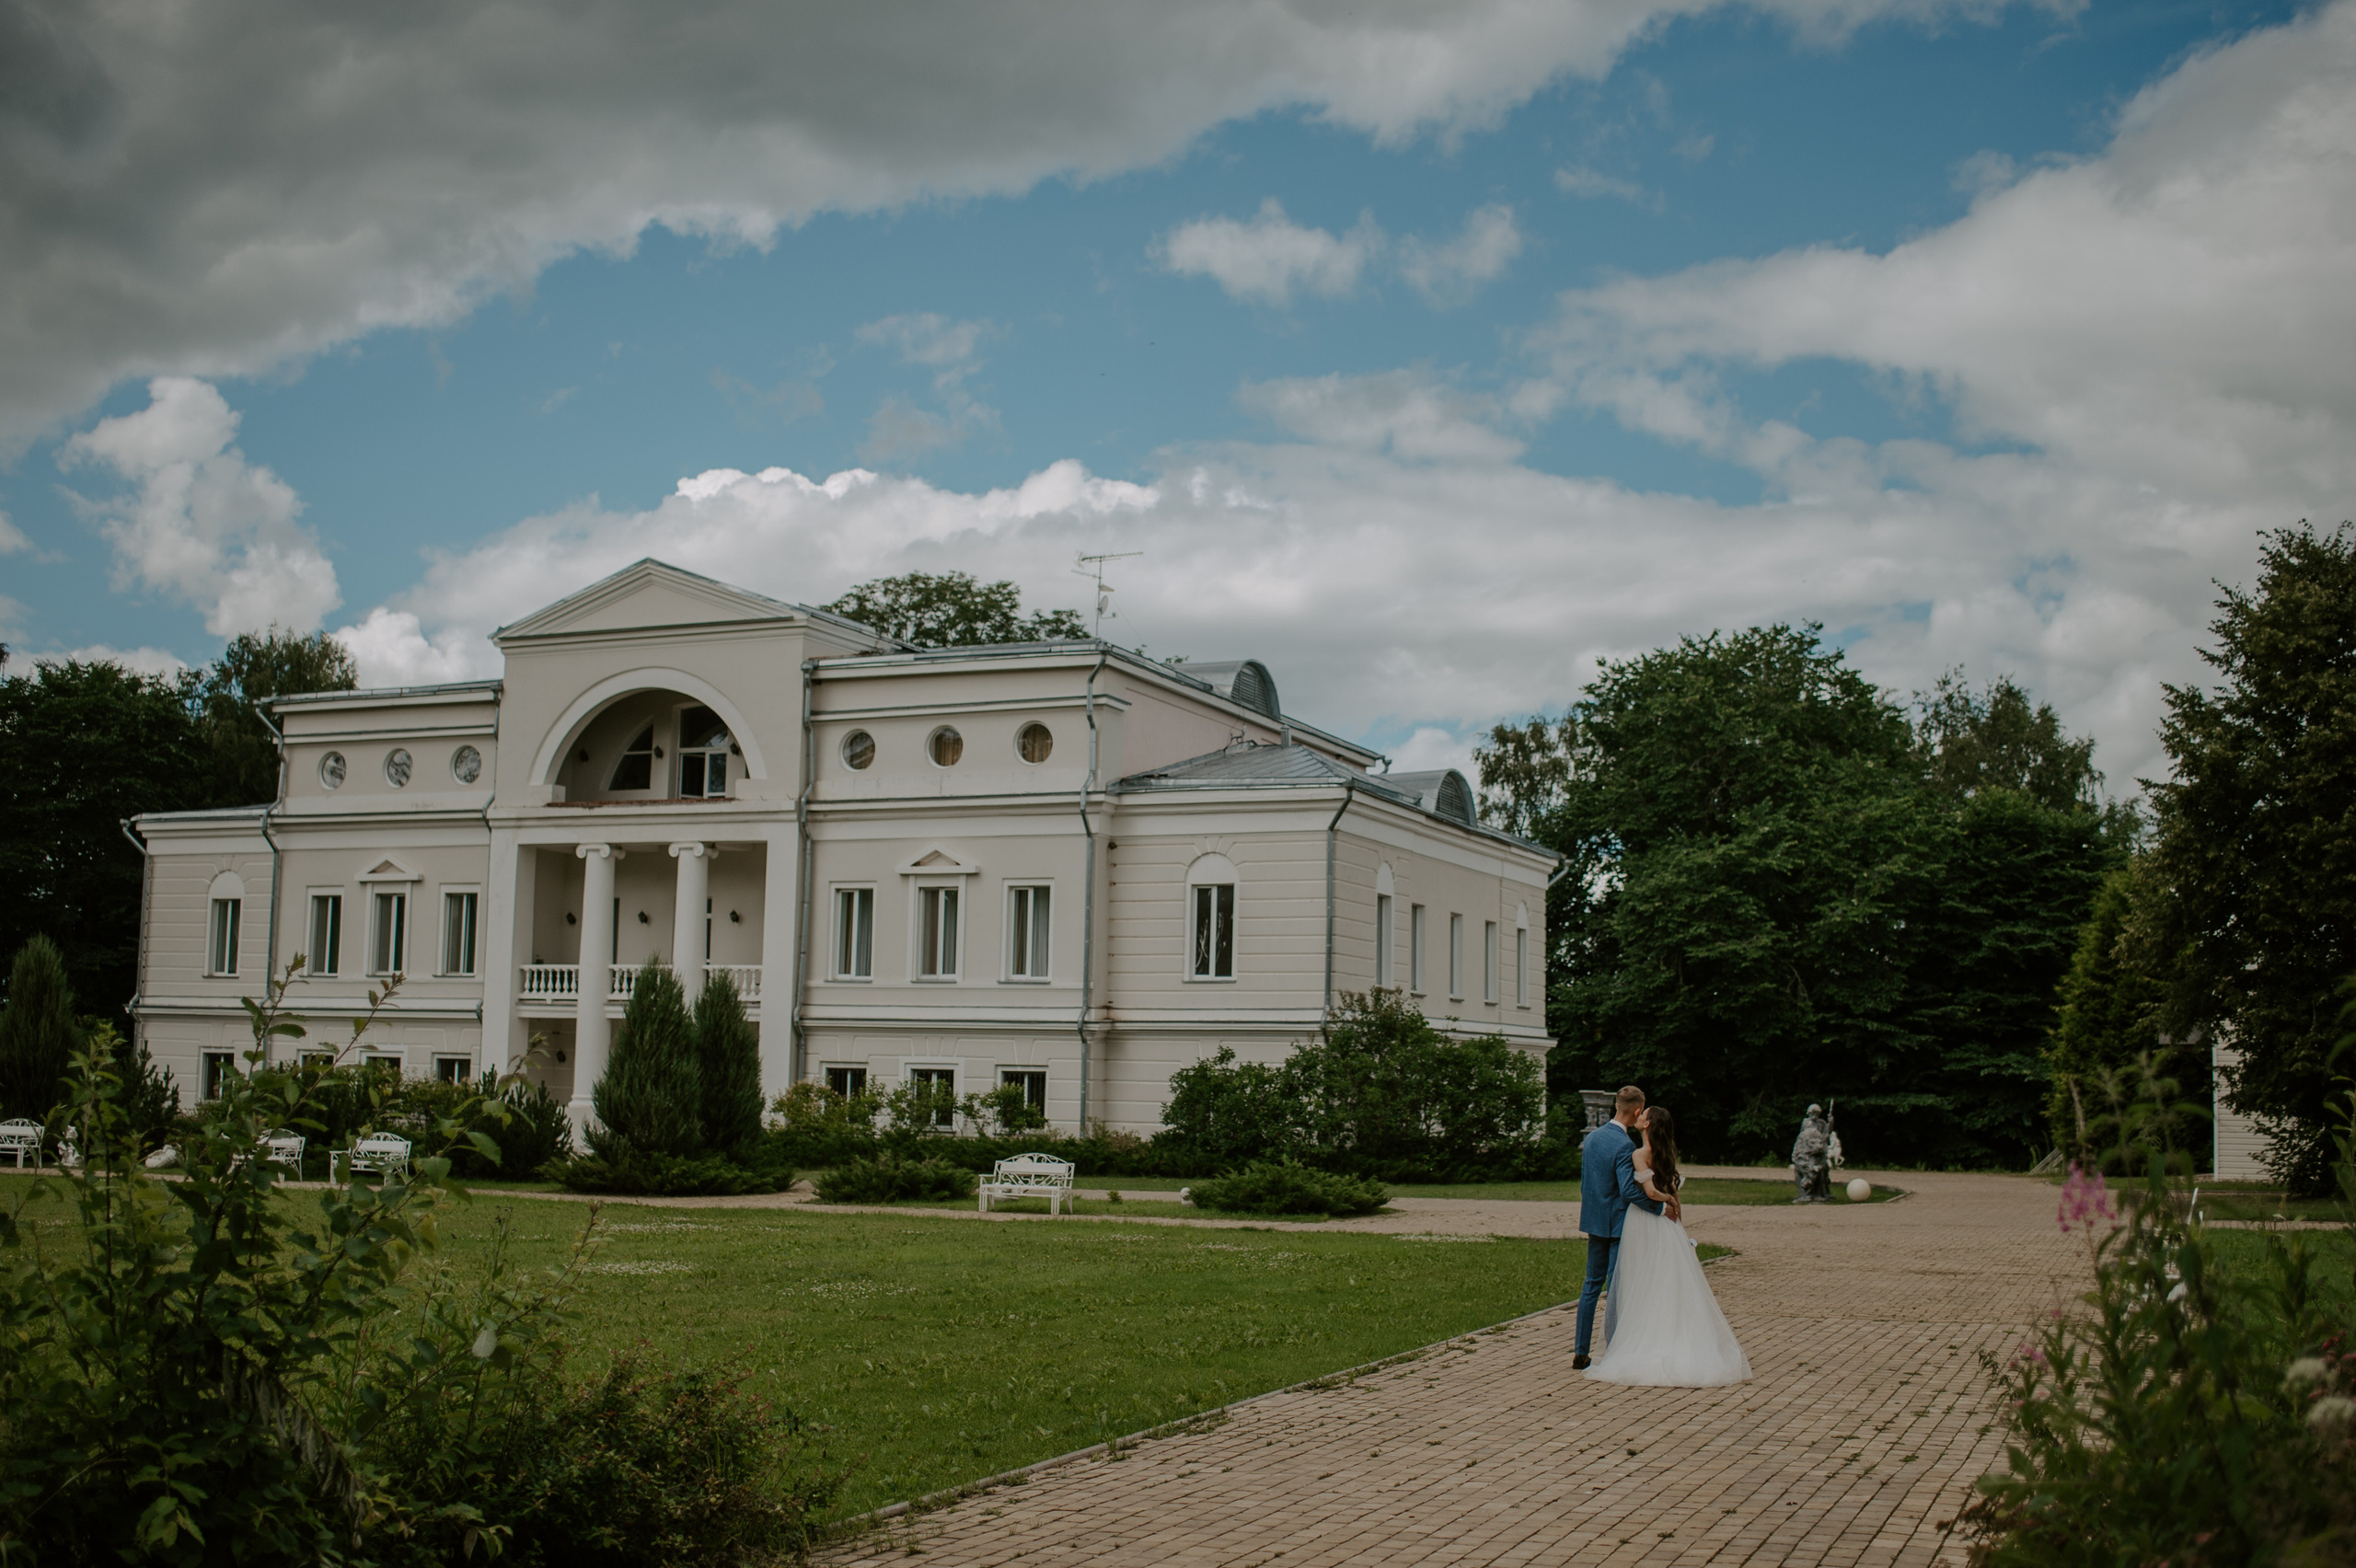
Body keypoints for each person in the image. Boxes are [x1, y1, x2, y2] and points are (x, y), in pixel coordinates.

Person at [1585, 1105, 1753, 1387]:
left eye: (1644, 1114)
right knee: (1666, 1278)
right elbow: (1673, 1192)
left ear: (1648, 1125)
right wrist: (1677, 1215)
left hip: (1643, 1221)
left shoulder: (1639, 1154)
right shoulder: (1666, 1154)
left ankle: (1643, 1337)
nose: (1639, 1115)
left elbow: (1649, 1192)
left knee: (1642, 1278)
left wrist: (1664, 1200)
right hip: (1668, 1226)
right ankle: (1670, 1334)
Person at [1573, 1085, 1675, 1370]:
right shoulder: (1625, 1146)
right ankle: (1614, 1348)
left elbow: (1586, 1182)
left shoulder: (1592, 1138)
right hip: (1618, 1225)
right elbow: (1628, 1191)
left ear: (1616, 1105)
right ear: (1637, 1111)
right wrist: (1659, 1208)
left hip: (1594, 1221)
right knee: (1616, 1288)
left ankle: (1580, 1351)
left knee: (1591, 1286)